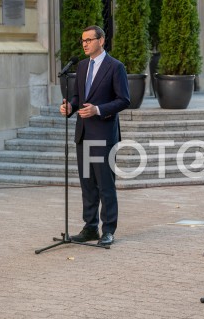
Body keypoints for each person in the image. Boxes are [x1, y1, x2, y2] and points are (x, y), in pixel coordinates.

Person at [59, 25, 130, 246]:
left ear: (101, 40)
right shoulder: (81, 67)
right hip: (83, 133)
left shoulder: (115, 67)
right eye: (83, 41)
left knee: (105, 184)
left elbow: (124, 100)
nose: (85, 44)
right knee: (87, 183)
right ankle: (90, 228)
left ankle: (108, 229)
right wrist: (70, 107)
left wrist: (98, 109)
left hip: (103, 134)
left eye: (89, 40)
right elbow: (78, 97)